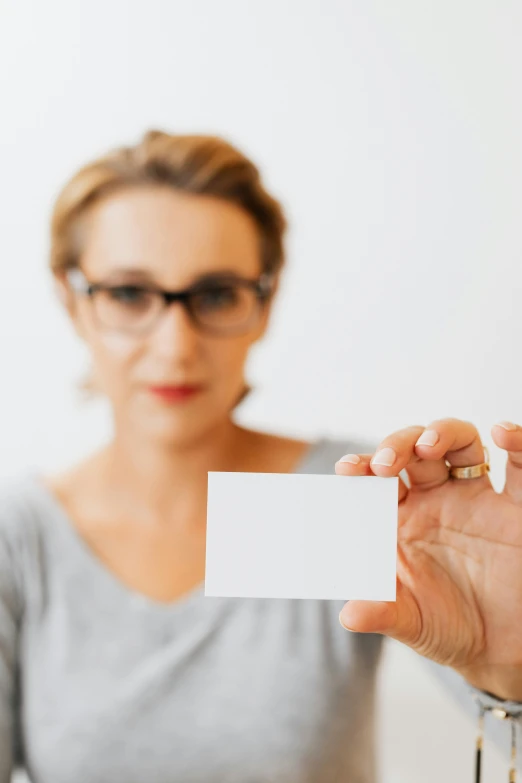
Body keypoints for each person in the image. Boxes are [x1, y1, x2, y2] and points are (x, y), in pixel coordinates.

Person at [0, 130, 520, 783]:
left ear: (264, 302)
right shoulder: (17, 540)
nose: (175, 345)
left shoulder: (353, 493)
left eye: (216, 294)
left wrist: (509, 667)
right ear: (72, 300)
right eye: (130, 294)